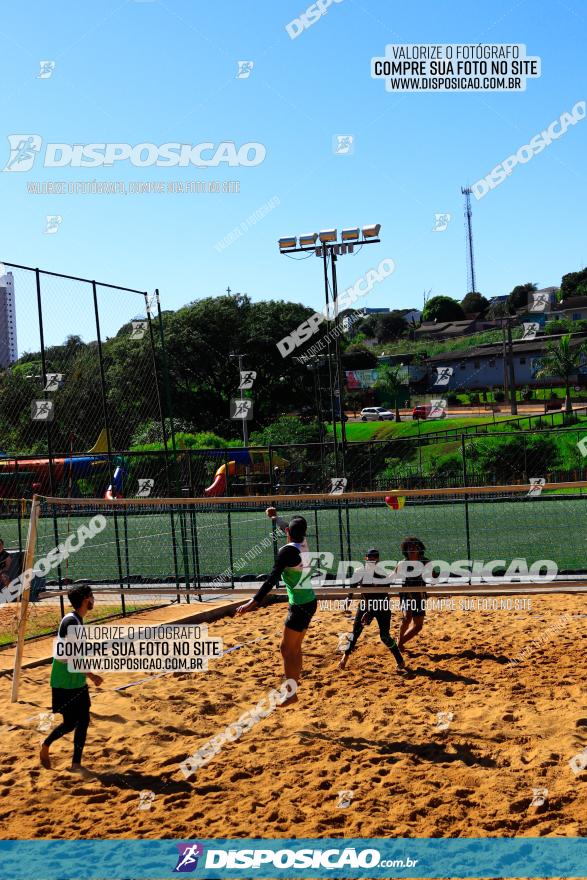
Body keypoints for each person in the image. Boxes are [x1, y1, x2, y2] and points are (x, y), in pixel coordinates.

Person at [236, 514, 317, 704]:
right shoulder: (303, 543)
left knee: (286, 649)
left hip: (299, 605)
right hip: (310, 601)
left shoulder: (285, 553)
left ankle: (291, 693)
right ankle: (293, 688)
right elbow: (287, 528)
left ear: (289, 532)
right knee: (295, 648)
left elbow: (271, 580)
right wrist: (275, 517)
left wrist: (252, 602)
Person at [40, 585, 103, 775]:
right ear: (85, 600)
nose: (93, 599)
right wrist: (92, 676)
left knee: (80, 720)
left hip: (73, 677)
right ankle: (47, 745)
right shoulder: (72, 623)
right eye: (91, 596)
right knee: (73, 722)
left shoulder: (75, 619)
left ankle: (73, 762)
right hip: (65, 678)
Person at [339, 548, 406, 673]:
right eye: (370, 557)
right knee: (355, 633)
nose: (372, 560)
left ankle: (400, 660)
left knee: (385, 636)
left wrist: (370, 613)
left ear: (378, 559)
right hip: (365, 604)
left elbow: (382, 595)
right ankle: (344, 659)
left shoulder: (382, 573)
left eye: (374, 557)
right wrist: (348, 598)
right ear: (366, 558)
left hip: (382, 606)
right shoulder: (359, 571)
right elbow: (353, 586)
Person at [397, 537, 429, 653]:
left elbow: (434, 577)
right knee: (407, 618)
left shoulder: (425, 562)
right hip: (407, 594)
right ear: (406, 550)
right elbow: (391, 576)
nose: (412, 549)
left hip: (419, 596)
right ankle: (398, 643)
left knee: (418, 626)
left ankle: (399, 643)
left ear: (420, 549)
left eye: (415, 547)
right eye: (409, 547)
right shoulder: (402, 563)